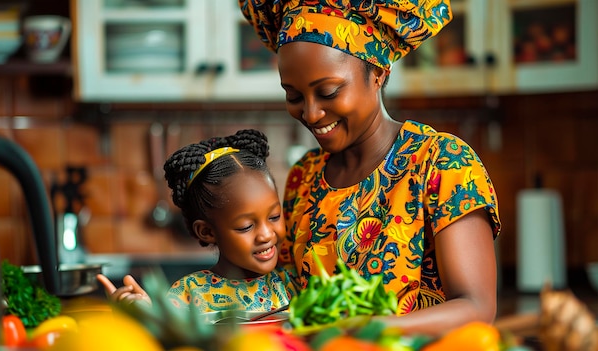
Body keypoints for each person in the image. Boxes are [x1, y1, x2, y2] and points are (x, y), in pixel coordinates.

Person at [239, 0, 501, 337]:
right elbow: (286, 295)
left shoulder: (441, 162)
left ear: (378, 73)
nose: (312, 113)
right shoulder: (302, 178)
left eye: (328, 92)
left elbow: (477, 308)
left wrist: (358, 331)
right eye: (293, 96)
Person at [97, 129, 298, 313]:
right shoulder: (188, 294)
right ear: (207, 232)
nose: (266, 234)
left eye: (274, 217)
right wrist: (146, 313)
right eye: (246, 226)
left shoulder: (290, 284)